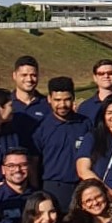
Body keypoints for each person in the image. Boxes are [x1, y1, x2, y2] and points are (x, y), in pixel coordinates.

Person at [32, 77, 91, 208]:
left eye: (67, 99)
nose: (62, 105)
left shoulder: (85, 124)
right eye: (57, 100)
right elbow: (34, 163)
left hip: (82, 186)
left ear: (73, 98)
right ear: (49, 99)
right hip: (53, 188)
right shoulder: (41, 128)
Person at [10, 56, 48, 149]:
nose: (29, 79)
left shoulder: (47, 104)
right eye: (24, 75)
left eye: (33, 75)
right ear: (14, 76)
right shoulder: (6, 104)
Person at [0, 147, 36, 223]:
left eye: (23, 165)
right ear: (3, 169)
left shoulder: (39, 196)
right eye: (11, 166)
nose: (17, 169)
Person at [77, 60, 112, 124]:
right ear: (95, 78)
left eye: (110, 73)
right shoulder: (85, 107)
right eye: (101, 74)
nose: (106, 76)